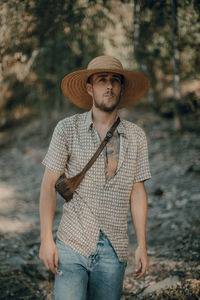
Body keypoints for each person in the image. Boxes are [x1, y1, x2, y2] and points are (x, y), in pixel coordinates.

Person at [39, 55, 151, 300]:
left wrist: (141, 244)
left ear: (121, 88)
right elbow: (48, 186)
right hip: (72, 242)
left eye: (114, 81)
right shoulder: (66, 129)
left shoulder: (136, 136)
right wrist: (46, 239)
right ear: (90, 88)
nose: (109, 86)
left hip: (115, 249)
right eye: (102, 80)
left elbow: (138, 191)